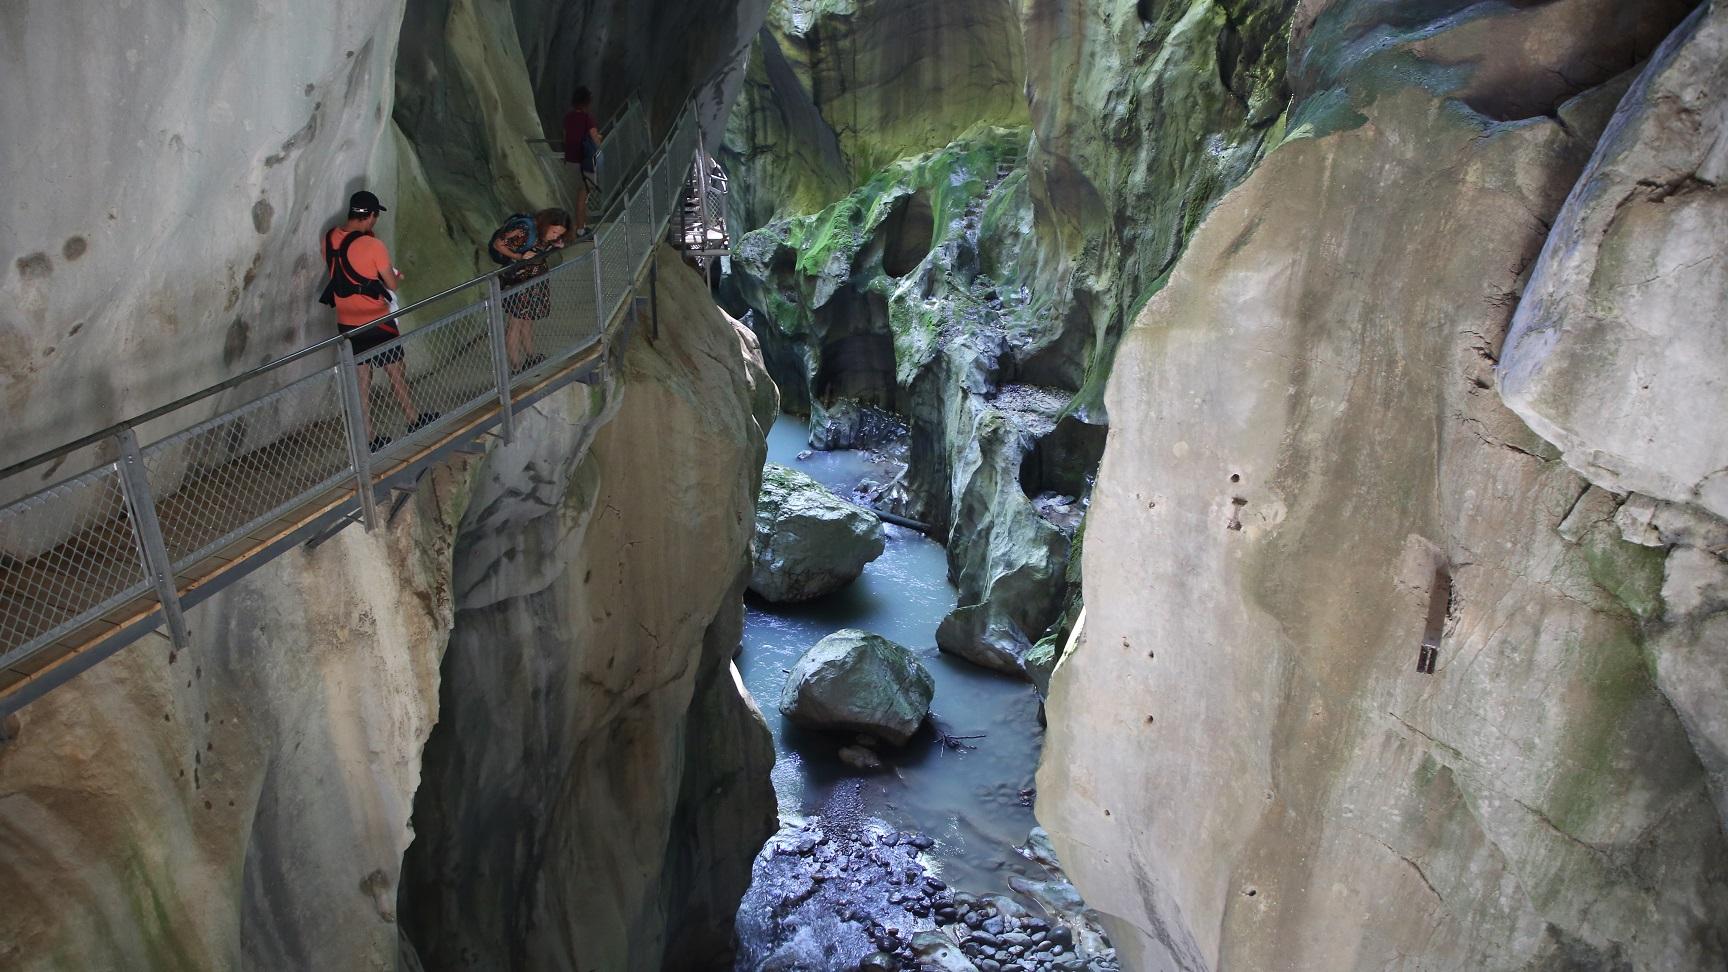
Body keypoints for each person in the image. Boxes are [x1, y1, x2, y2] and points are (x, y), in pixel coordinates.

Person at [320, 190, 434, 450]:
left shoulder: (328, 238)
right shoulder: (373, 245)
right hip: (375, 319)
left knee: (361, 379)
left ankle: (367, 437)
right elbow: (391, 283)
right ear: (370, 216)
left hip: (347, 320)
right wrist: (391, 276)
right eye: (375, 217)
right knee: (395, 370)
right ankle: (413, 418)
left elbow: (338, 272)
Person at [489, 208, 571, 371]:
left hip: (531, 282)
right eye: (554, 231)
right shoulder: (525, 228)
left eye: (559, 234)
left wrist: (554, 243)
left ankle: (531, 357)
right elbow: (498, 244)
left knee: (527, 321)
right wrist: (520, 257)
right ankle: (516, 367)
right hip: (517, 281)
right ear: (547, 224)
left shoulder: (543, 234)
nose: (556, 236)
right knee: (515, 324)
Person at [562, 88, 603, 237]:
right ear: (587, 102)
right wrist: (599, 139)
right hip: (584, 162)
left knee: (576, 196)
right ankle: (580, 230)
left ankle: (579, 227)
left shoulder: (568, 117)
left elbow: (566, 137)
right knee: (582, 197)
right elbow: (594, 138)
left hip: (570, 161)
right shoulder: (587, 118)